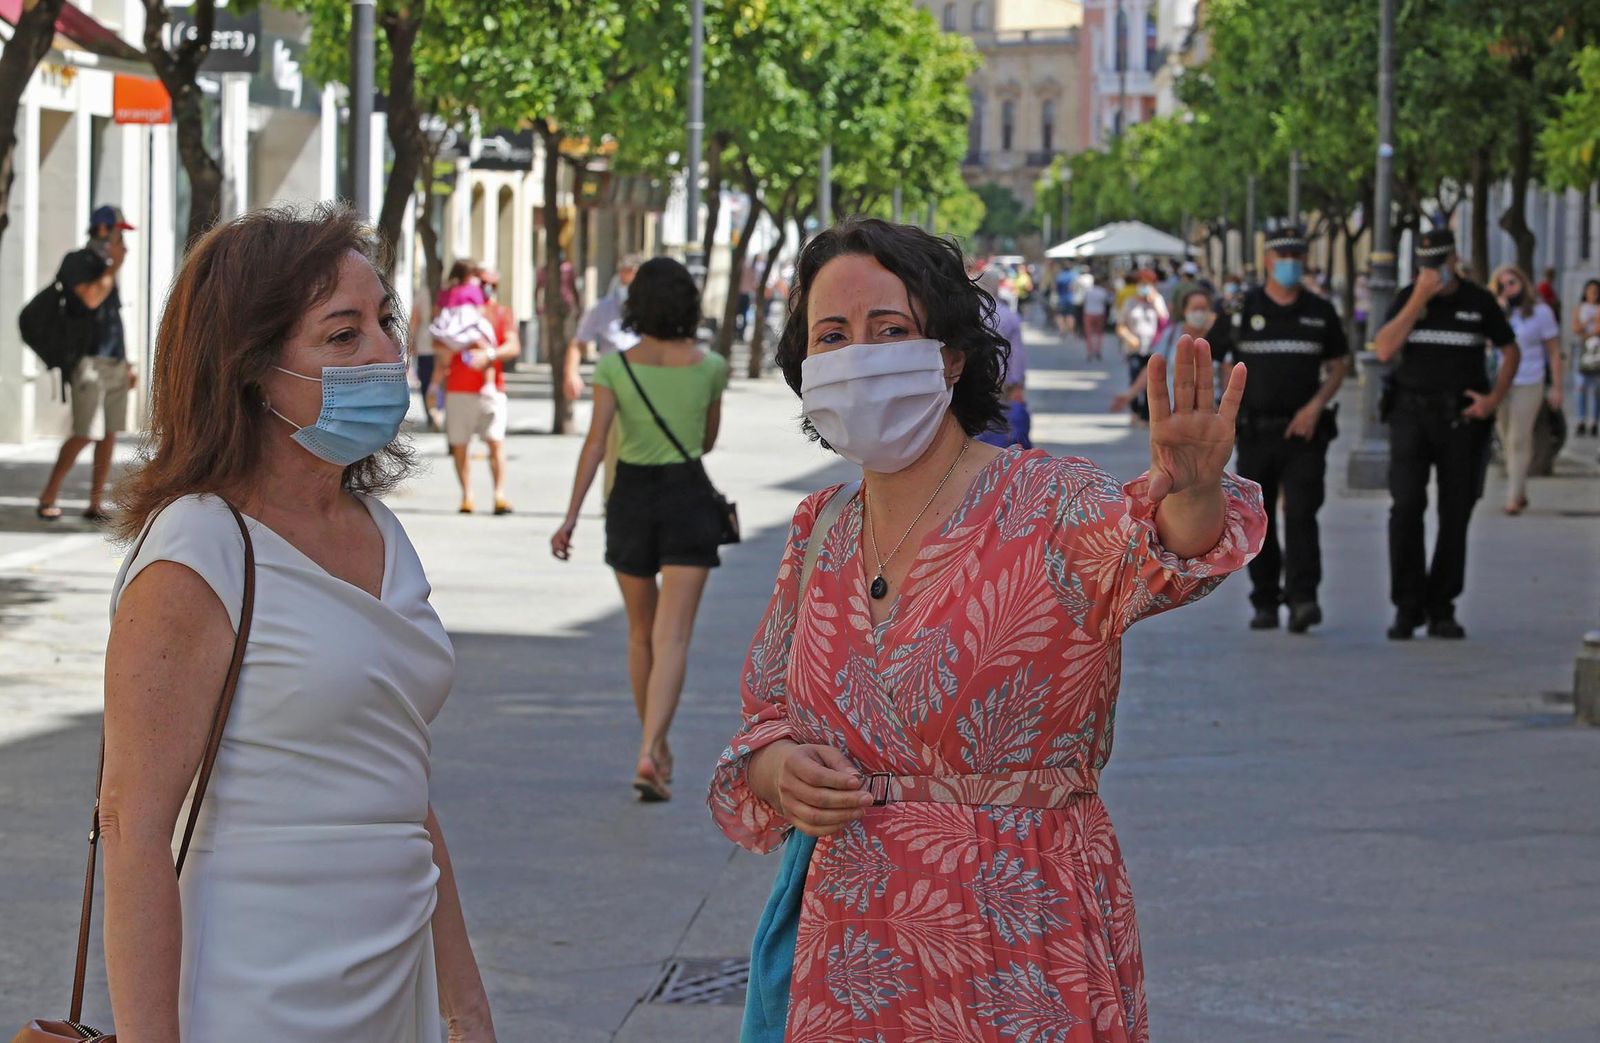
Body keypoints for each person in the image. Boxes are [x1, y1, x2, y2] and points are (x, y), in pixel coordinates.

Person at [708, 217, 1264, 1043]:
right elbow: (763, 720)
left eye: (889, 329)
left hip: (1019, 947)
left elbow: (1164, 555)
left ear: (951, 355)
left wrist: (1190, 491)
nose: (858, 352)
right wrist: (777, 768)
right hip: (848, 960)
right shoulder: (817, 527)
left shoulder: (1049, 501)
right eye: (833, 334)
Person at [101, 205, 495, 1040]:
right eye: (342, 335)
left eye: (385, 321)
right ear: (249, 370)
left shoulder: (381, 533)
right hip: (256, 989)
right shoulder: (199, 546)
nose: (388, 353)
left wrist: (466, 1006)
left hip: (397, 979)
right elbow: (132, 827)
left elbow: (402, 790)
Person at [551, 258, 728, 803]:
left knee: (639, 632)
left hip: (628, 497)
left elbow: (597, 442)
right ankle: (653, 748)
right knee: (672, 636)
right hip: (687, 497)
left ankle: (655, 746)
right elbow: (707, 441)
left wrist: (571, 515)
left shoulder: (614, 368)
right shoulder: (711, 367)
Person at [1374, 228, 1518, 640]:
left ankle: (1442, 607)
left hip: (1461, 421)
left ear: (1454, 260)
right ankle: (1406, 606)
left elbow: (1511, 350)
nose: (1433, 272)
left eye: (1439, 263)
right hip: (1411, 416)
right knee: (1405, 507)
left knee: (1455, 513)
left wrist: (1492, 400)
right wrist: (1419, 299)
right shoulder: (1408, 299)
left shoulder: (1478, 301)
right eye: (1425, 265)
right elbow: (1383, 349)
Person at [1205, 226, 1349, 633]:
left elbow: (1338, 366)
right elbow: (1208, 351)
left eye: (1296, 258)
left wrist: (1316, 406)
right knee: (1259, 517)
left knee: (1303, 513)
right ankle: (1265, 600)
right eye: (1282, 257)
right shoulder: (1241, 308)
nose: (1290, 264)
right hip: (1255, 431)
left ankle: (1304, 598)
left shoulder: (1320, 312)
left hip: (1304, 432)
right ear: (1267, 260)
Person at [36, 205, 137, 523]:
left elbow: (113, 319)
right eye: (120, 235)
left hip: (113, 361)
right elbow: (91, 299)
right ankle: (48, 495)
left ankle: (96, 503)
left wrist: (127, 362)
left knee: (108, 434)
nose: (125, 244)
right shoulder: (78, 262)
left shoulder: (107, 268)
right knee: (85, 432)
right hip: (88, 362)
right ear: (104, 231)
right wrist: (112, 269)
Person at [440, 268, 519, 515]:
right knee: (461, 445)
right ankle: (467, 496)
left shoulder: (501, 313)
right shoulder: (455, 311)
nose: (487, 287)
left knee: (495, 441)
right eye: (483, 282)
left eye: (492, 283)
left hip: (492, 391)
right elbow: (439, 344)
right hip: (458, 388)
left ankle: (499, 495)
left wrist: (490, 355)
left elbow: (513, 345)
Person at [1490, 264, 1564, 515]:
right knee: (1505, 436)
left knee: (1518, 437)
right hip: (1502, 382)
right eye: (1502, 285)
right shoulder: (1498, 313)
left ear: (1523, 283)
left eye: (1512, 283)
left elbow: (1554, 352)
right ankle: (1520, 491)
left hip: (1530, 380)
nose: (1508, 289)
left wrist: (1557, 387)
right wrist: (1498, 310)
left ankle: (1513, 495)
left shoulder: (1541, 312)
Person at [1113, 287, 1217, 413]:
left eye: (1203, 309)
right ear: (1185, 311)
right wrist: (1130, 394)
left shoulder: (1218, 337)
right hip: (1174, 412)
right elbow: (1153, 368)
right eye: (1195, 309)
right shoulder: (1171, 334)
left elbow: (1227, 370)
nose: (1199, 313)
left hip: (1210, 414)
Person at [974, 265, 1031, 449]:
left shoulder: (968, 314)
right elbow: (1016, 354)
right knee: (1001, 426)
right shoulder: (1009, 316)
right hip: (1002, 382)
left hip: (973, 381)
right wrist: (1017, 383)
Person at [1116, 270, 1168, 423]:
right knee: (1134, 378)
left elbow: (1165, 322)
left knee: (1151, 381)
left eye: (1147, 284)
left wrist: (1153, 302)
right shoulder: (1130, 302)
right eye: (1141, 284)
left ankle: (1147, 414)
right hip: (1134, 348)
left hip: (1154, 347)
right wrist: (1129, 337)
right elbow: (1121, 325)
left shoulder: (1158, 300)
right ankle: (1135, 410)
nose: (1144, 287)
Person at [1572, 279, 1600, 437]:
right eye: (1590, 291)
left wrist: (1587, 328)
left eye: (1596, 291)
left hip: (1597, 349)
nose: (1593, 295)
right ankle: (1580, 420)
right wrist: (1590, 322)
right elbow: (1576, 328)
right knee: (1580, 386)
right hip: (1581, 348)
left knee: (1596, 388)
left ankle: (1594, 421)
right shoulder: (1579, 308)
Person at [1081, 271, 1111, 361]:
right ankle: (1097, 351)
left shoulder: (1088, 291)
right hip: (1099, 313)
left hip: (1089, 313)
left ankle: (1089, 351)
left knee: (1089, 334)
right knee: (1099, 334)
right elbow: (1108, 301)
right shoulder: (1103, 291)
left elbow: (1083, 301)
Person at [1054, 262, 1077, 335]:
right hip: (1070, 299)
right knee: (1070, 315)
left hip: (1061, 299)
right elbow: (1074, 287)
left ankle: (1061, 329)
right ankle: (1071, 332)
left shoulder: (1060, 276)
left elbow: (1056, 288)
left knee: (1060, 315)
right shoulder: (1073, 275)